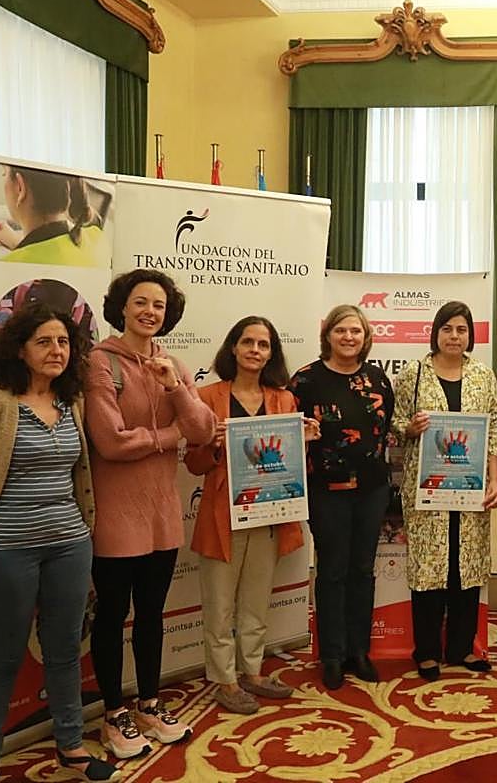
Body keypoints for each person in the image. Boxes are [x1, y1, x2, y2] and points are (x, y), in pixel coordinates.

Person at [0, 305, 120, 783]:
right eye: (44, 342)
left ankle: (72, 746)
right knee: (5, 655)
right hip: (0, 553)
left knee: (64, 651)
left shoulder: (70, 401)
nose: (56, 351)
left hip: (69, 546)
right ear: (21, 349)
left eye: (63, 342)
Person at [85, 269, 216, 759]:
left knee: (152, 615)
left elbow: (202, 430)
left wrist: (177, 390)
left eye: (158, 306)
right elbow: (110, 442)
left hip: (162, 513)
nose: (149, 312)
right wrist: (168, 437)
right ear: (122, 306)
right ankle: (113, 711)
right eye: (141, 302)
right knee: (113, 615)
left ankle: (148, 702)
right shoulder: (99, 363)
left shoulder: (173, 364)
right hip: (117, 515)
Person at [185, 317, 320, 714]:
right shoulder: (207, 397)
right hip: (221, 515)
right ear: (233, 348)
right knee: (220, 604)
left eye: (263, 344)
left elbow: (286, 462)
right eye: (248, 342)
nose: (255, 350)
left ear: (271, 353)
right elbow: (193, 463)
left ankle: (253, 672)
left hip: (268, 514)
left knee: (256, 602)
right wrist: (210, 443)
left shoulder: (284, 399)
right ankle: (224, 680)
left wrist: (305, 440)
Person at [391, 301, 497, 680]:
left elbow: (492, 433)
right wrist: (411, 429)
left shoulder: (483, 377)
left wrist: (495, 480)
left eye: (462, 329)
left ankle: (461, 649)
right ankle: (426, 652)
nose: (455, 336)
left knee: (465, 568)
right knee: (429, 569)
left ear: (470, 335)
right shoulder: (414, 374)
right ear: (435, 333)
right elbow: (395, 424)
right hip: (427, 490)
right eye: (448, 329)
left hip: (471, 491)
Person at [290, 305, 395, 691]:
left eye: (356, 331)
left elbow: (385, 432)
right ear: (328, 335)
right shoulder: (304, 381)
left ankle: (358, 652)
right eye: (341, 331)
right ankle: (331, 655)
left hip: (371, 490)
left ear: (366, 337)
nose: (349, 337)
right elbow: (287, 434)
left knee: (362, 570)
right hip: (326, 491)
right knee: (332, 570)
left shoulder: (379, 379)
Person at [0, 166, 106, 266]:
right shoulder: (98, 239)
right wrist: (15, 241)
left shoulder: (9, 268)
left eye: (4, 174)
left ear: (20, 188)